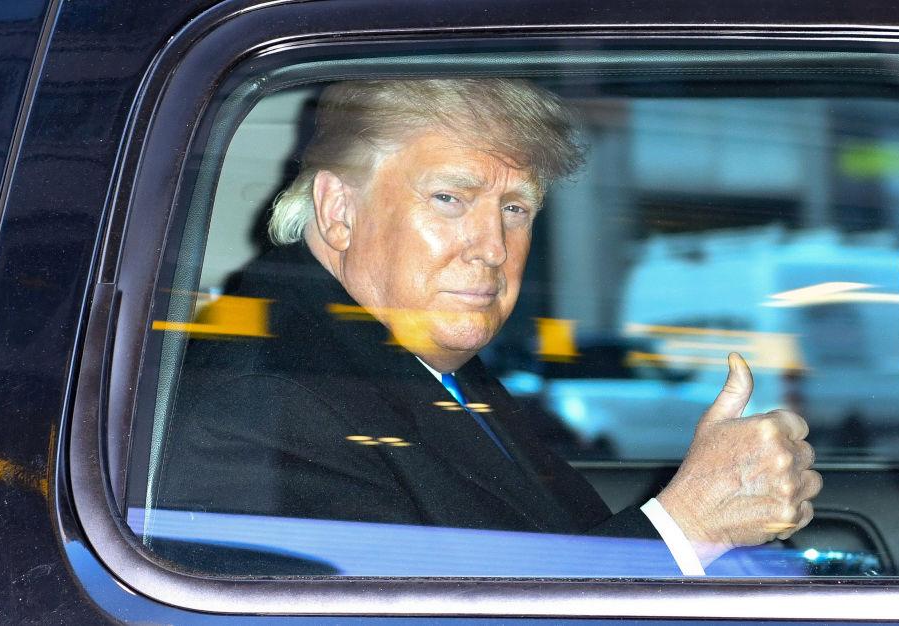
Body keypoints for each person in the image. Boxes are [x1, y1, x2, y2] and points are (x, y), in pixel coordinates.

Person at [156, 78, 821, 573]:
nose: (493, 248)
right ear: (338, 210)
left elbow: (548, 550)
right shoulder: (265, 396)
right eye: (450, 199)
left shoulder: (417, 364)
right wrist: (688, 524)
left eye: (516, 208)